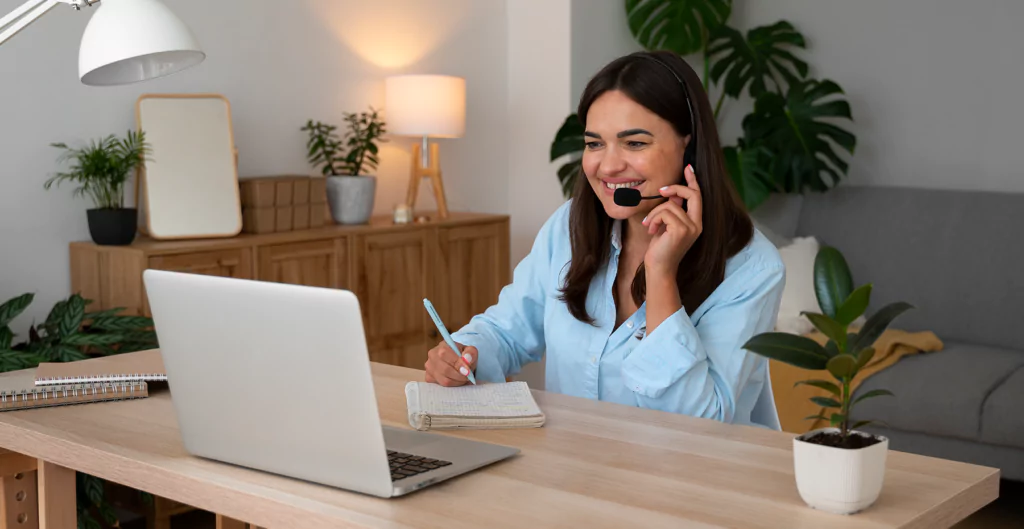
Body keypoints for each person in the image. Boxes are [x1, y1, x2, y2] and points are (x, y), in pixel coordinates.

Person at [424, 50, 786, 428]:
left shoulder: (752, 267)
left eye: (635, 144)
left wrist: (661, 275)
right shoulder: (569, 227)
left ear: (688, 145)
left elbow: (699, 423)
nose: (608, 166)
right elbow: (506, 330)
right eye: (595, 144)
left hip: (688, 481)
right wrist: (465, 352)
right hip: (575, 474)